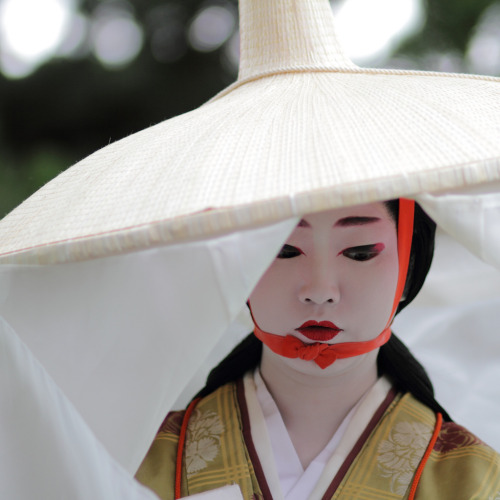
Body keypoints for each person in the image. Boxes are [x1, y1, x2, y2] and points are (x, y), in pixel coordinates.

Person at [136, 200, 500, 499]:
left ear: (410, 266)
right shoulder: (143, 461)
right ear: (241, 269)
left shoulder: (471, 480)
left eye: (359, 252)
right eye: (286, 250)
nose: (320, 289)